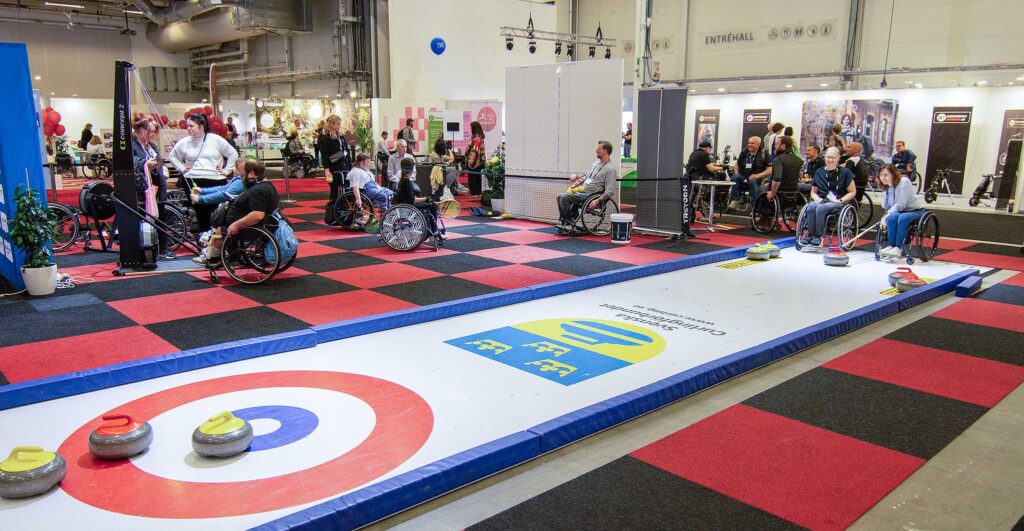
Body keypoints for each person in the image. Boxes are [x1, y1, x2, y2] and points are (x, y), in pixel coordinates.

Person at [194, 159, 278, 265]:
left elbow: (257, 215)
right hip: (262, 224)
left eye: (242, 176)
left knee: (220, 229)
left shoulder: (258, 190)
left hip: (254, 228)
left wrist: (236, 225)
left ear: (251, 174)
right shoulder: (266, 185)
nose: (241, 179)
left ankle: (213, 257)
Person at [169, 113, 237, 232]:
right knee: (200, 211)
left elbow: (233, 154)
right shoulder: (184, 142)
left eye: (192, 126)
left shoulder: (215, 139)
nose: (188, 128)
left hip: (215, 180)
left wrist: (227, 170)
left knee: (217, 211)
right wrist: (182, 168)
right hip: (193, 180)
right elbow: (172, 156)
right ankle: (204, 235)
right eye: (188, 126)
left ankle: (215, 235)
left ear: (201, 126)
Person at [131, 117, 174, 260]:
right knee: (144, 218)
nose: (152, 134)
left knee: (160, 217)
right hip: (142, 188)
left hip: (156, 185)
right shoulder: (133, 146)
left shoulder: (152, 146)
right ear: (141, 130)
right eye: (149, 131)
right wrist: (146, 164)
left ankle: (164, 248)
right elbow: (133, 163)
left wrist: (156, 164)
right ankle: (146, 249)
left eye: (154, 132)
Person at [557, 140, 618, 234]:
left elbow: (610, 190)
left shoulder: (610, 169)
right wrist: (577, 177)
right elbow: (588, 177)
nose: (596, 150)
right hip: (583, 192)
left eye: (598, 149)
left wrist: (597, 200)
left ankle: (568, 222)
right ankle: (566, 221)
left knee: (564, 197)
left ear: (605, 151)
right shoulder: (595, 164)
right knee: (559, 196)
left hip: (592, 195)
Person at [804, 146, 856, 246]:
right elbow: (813, 192)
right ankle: (810, 235)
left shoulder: (845, 173)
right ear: (824, 157)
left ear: (838, 158)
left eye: (833, 157)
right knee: (811, 206)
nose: (830, 160)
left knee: (821, 208)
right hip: (822, 199)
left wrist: (841, 200)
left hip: (838, 201)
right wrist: (816, 198)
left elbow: (852, 192)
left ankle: (818, 236)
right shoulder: (819, 172)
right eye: (828, 157)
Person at [877, 163, 926, 258]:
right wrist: (885, 216)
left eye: (886, 175)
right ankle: (891, 246)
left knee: (903, 217)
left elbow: (901, 204)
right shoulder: (887, 186)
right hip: (901, 211)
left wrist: (886, 216)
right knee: (892, 218)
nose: (883, 178)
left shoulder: (904, 182)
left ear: (893, 174)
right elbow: (887, 206)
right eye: (881, 175)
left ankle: (898, 248)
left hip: (915, 210)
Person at [396, 157, 442, 236]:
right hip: (409, 206)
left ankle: (433, 230)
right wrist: (426, 198)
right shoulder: (407, 182)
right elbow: (412, 200)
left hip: (405, 205)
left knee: (429, 202)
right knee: (432, 205)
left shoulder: (402, 180)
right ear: (411, 169)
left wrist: (425, 199)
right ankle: (434, 231)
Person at [347, 153, 394, 221]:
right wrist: (358, 198)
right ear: (362, 163)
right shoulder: (357, 172)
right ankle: (385, 213)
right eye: (368, 162)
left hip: (372, 187)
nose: (370, 163)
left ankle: (389, 211)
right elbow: (355, 187)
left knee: (390, 193)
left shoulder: (365, 170)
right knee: (382, 195)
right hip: (364, 190)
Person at [317, 114, 352, 203]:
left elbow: (346, 151)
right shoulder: (325, 138)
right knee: (335, 191)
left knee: (346, 189)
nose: (339, 126)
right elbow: (325, 156)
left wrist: (349, 165)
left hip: (344, 166)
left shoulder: (341, 137)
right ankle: (333, 208)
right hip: (333, 167)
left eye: (340, 123)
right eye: (338, 124)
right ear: (331, 124)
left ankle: (343, 208)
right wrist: (327, 170)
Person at [729, 137, 769, 209]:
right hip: (743, 177)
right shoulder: (744, 152)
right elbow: (737, 164)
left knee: (752, 181)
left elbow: (770, 170)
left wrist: (757, 175)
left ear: (758, 144)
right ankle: (735, 201)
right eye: (749, 143)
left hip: (757, 178)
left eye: (752, 143)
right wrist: (736, 173)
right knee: (734, 177)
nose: (749, 145)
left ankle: (755, 205)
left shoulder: (764, 154)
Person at [765, 136, 802, 202]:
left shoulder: (778, 159)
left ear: (783, 146)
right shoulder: (799, 160)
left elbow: (777, 178)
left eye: (776, 144)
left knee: (761, 188)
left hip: (779, 192)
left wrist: (772, 194)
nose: (774, 146)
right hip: (794, 191)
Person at [465, 121, 486, 195]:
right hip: (480, 161)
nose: (470, 129)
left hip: (475, 162)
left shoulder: (476, 138)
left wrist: (470, 161)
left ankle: (474, 192)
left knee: (473, 176)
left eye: (471, 128)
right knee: (478, 176)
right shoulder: (479, 137)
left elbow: (474, 151)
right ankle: (477, 192)